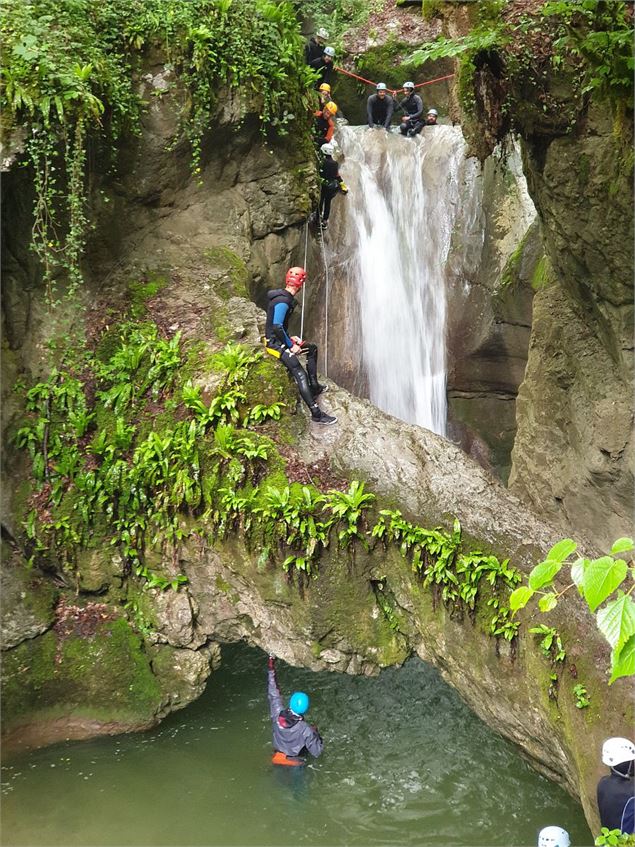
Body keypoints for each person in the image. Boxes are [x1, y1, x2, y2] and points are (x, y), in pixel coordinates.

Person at [264, 267, 336, 426]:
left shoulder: (284, 297)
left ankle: (314, 386)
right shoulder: (283, 301)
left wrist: (290, 337)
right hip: (274, 345)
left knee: (312, 349)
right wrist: (290, 345)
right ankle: (316, 414)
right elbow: (276, 326)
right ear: (301, 284)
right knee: (300, 373)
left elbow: (279, 326)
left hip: (280, 339)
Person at [267, 655, 324, 765]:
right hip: (294, 763)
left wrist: (271, 665)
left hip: (277, 758)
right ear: (305, 709)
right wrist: (316, 734)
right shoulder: (305, 729)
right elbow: (317, 752)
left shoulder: (277, 713)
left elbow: (273, 692)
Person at [597, 737, 635, 833]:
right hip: (627, 839)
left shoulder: (602, 783)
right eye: (632, 761)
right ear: (626, 764)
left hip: (609, 838)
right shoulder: (631, 792)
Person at [318, 142, 348, 230]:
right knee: (328, 203)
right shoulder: (335, 163)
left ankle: (318, 218)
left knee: (320, 201)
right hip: (332, 187)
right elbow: (336, 175)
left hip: (324, 185)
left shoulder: (322, 162)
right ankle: (325, 221)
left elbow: (320, 173)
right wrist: (342, 184)